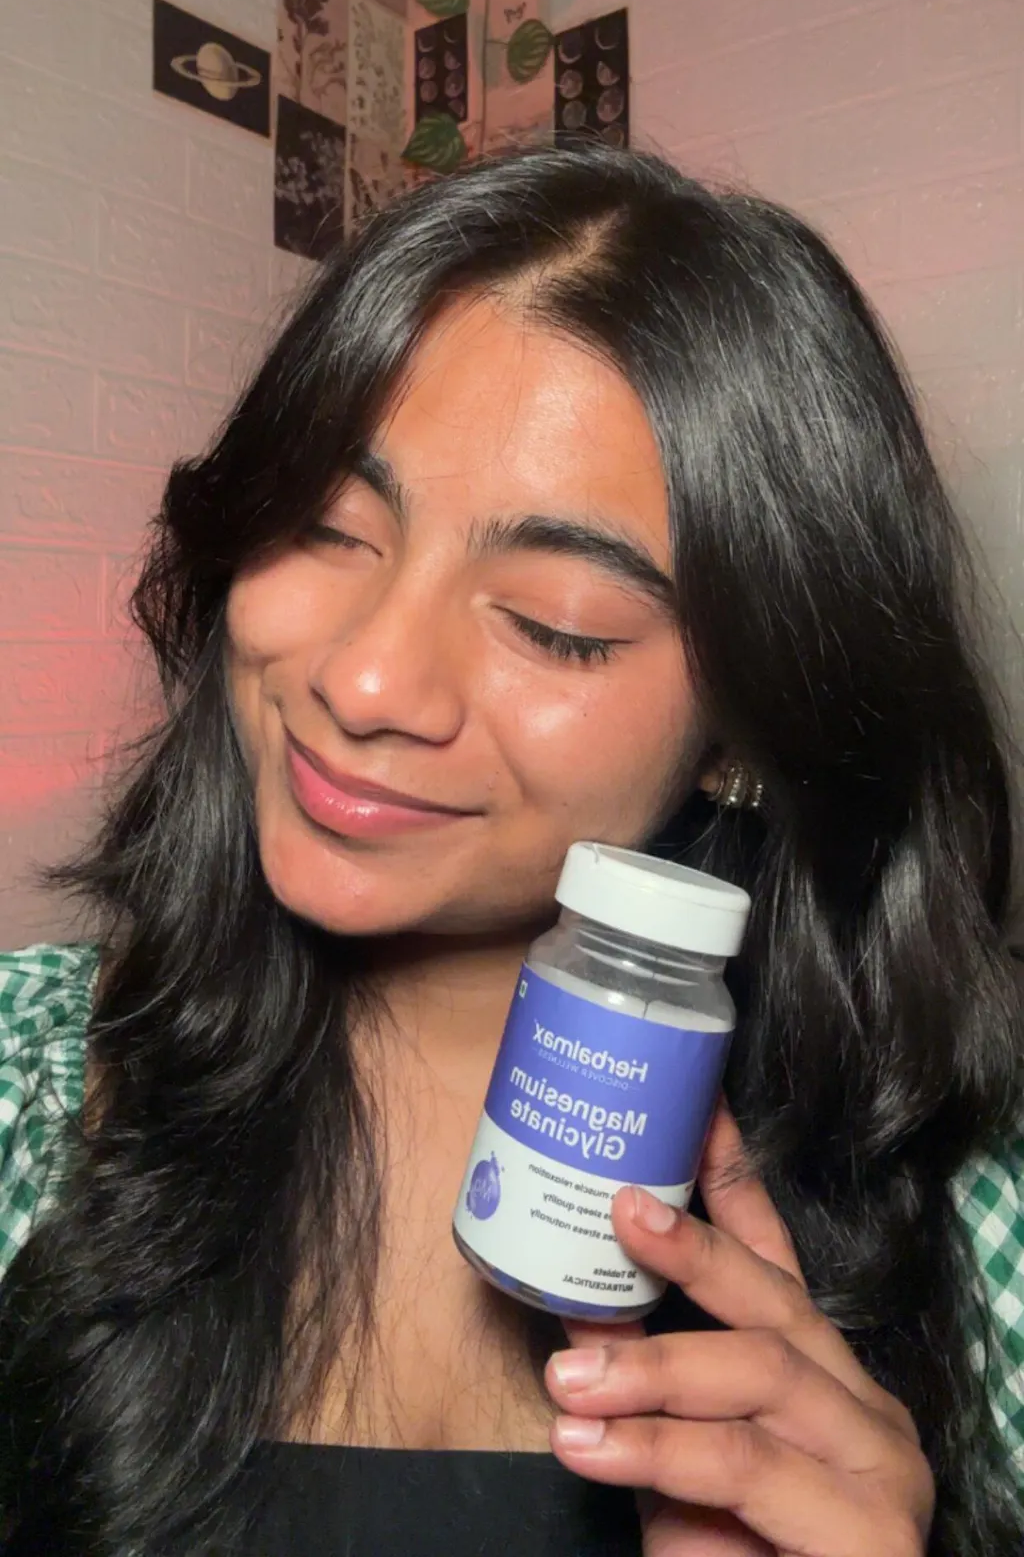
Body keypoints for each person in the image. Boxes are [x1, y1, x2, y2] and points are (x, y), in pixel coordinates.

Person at [0, 144, 1021, 1557]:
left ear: (744, 724)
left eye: (553, 623)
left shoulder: (976, 1222)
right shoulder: (30, 1077)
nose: (365, 680)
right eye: (322, 525)